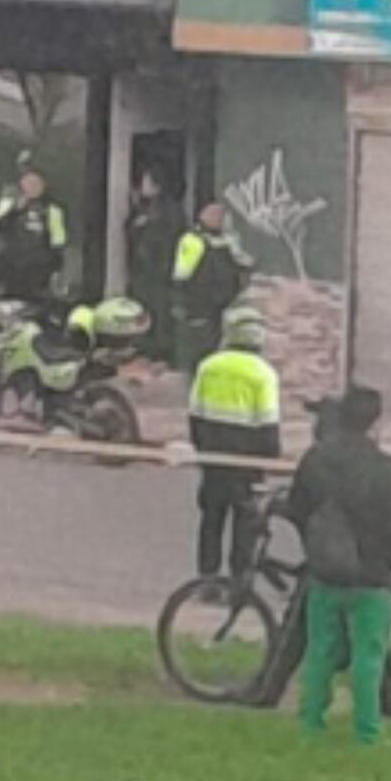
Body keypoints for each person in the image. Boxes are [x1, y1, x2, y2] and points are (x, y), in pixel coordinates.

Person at [284, 385, 391, 746]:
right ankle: (367, 731)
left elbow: (297, 508)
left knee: (320, 651)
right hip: (371, 577)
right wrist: (390, 562)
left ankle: (310, 724)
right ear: (374, 424)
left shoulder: (315, 460)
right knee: (368, 656)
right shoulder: (386, 469)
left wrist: (316, 548)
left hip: (325, 573)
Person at [188, 305, 283, 587]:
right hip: (246, 465)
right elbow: (268, 424)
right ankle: (239, 583)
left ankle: (207, 579)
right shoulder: (263, 374)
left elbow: (195, 415)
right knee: (245, 525)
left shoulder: (208, 366)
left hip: (213, 460)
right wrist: (269, 461)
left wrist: (202, 451)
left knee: (211, 521)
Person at [172, 203, 254, 371]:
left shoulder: (226, 240)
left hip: (219, 306)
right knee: (203, 348)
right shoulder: (194, 241)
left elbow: (243, 262)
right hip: (202, 306)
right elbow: (182, 275)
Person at [124, 170, 183, 361]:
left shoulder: (169, 210)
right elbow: (130, 231)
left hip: (159, 270)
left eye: (146, 182)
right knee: (143, 307)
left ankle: (160, 349)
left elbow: (169, 239)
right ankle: (144, 346)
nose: (142, 186)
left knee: (159, 309)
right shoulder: (142, 208)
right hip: (143, 270)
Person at [0, 170, 68, 303]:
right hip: (12, 266)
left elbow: (58, 244)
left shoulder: (52, 209)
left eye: (36, 183)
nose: (32, 187)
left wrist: (56, 272)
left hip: (40, 269)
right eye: (28, 183)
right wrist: (14, 210)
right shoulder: (8, 204)